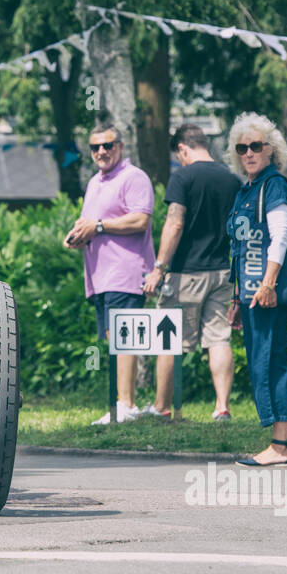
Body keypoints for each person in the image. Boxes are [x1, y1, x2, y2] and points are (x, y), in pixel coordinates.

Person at [143, 124, 241, 421]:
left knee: (168, 342)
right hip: (223, 271)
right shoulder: (232, 179)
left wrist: (159, 267)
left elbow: (175, 223)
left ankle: (162, 407)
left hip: (185, 274)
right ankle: (222, 406)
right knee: (219, 339)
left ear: (183, 148)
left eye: (179, 155)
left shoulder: (183, 176)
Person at [64, 121, 155, 424]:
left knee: (123, 339)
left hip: (126, 272)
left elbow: (140, 220)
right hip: (100, 276)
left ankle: (126, 405)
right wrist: (79, 234)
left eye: (107, 145)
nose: (101, 151)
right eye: (95, 147)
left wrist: (98, 226)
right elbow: (90, 222)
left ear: (120, 147)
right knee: (111, 339)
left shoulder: (134, 177)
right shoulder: (94, 183)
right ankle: (120, 403)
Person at [225, 113, 287, 466]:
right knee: (261, 363)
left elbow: (280, 237)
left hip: (268, 291)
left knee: (271, 362)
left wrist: (269, 283)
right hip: (251, 293)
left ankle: (280, 445)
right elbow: (241, 248)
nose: (249, 153)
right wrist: (237, 297)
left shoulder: (275, 186)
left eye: (256, 146)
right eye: (242, 148)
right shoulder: (248, 189)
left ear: (272, 150)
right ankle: (277, 442)